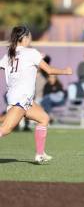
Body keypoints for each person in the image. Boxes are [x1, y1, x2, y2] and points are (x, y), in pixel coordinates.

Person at [0, 25, 72, 163]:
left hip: (19, 96)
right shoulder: (31, 52)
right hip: (21, 97)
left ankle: (40, 154)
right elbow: (49, 70)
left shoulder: (9, 54)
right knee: (6, 129)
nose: (31, 38)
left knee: (44, 118)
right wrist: (65, 71)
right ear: (25, 38)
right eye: (30, 36)